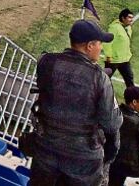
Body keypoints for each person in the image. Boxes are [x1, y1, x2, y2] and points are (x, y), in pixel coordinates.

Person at [28, 20, 122, 186]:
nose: (101, 48)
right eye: (99, 44)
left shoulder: (46, 63)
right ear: (89, 46)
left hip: (45, 153)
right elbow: (112, 123)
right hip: (83, 163)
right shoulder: (100, 78)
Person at [103, 8, 134, 87]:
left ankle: (132, 94)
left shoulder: (128, 28)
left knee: (129, 79)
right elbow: (107, 42)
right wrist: (108, 55)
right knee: (105, 80)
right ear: (123, 18)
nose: (131, 20)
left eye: (132, 18)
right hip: (113, 60)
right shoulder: (114, 28)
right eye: (129, 17)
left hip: (125, 59)